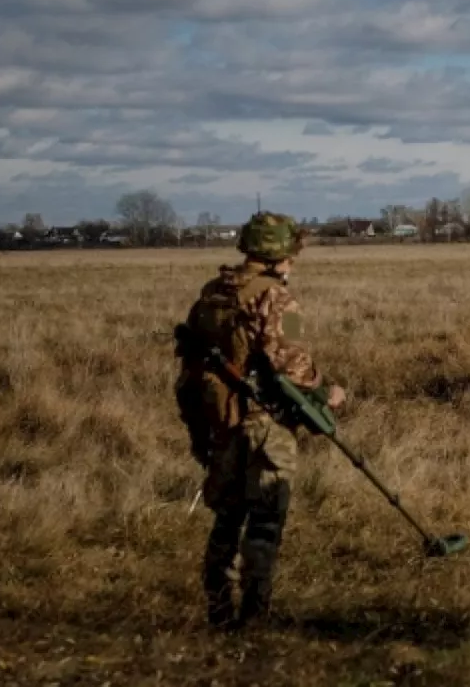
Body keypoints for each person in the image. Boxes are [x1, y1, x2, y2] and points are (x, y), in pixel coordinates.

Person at [175, 211, 345, 629]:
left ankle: (218, 612)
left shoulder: (213, 294)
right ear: (280, 255)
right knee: (265, 521)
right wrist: (330, 393)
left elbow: (189, 372)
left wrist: (200, 430)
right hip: (264, 427)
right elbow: (294, 367)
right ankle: (254, 616)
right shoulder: (276, 298)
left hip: (221, 424)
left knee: (226, 520)